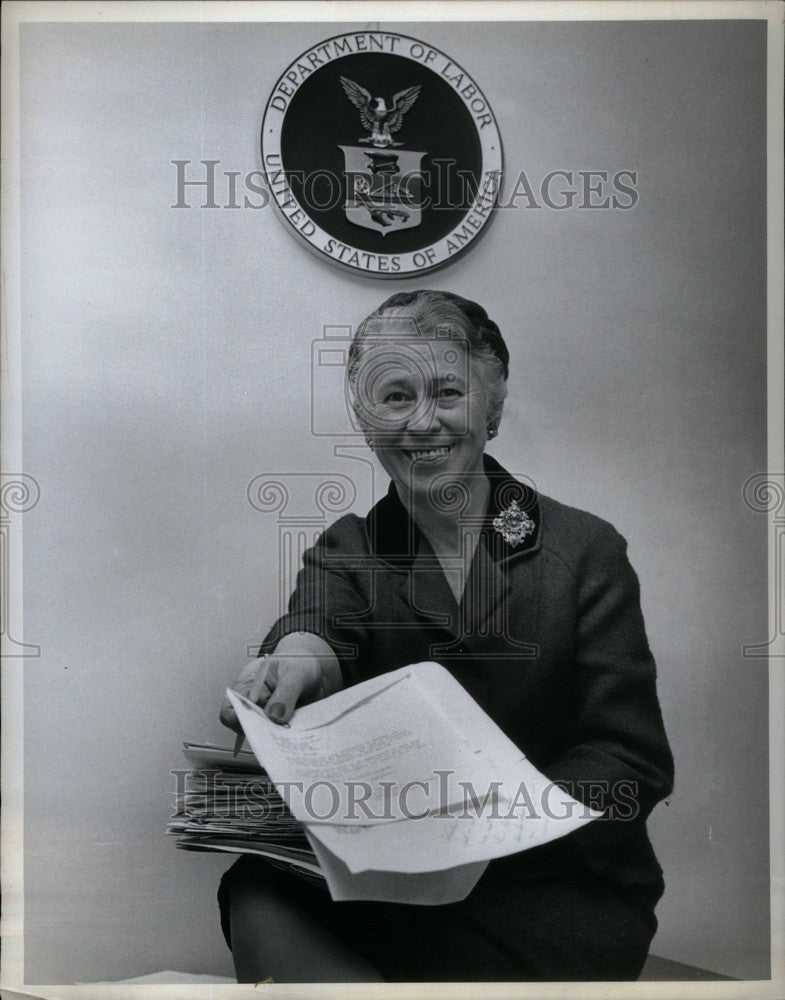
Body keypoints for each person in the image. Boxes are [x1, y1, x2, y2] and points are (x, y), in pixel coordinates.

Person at [217, 290, 674, 983]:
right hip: (393, 885)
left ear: (490, 407)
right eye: (395, 397)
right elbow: (317, 626)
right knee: (254, 887)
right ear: (365, 418)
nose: (421, 423)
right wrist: (296, 660)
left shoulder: (584, 550)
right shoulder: (350, 549)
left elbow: (629, 762)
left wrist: (489, 827)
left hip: (550, 888)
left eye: (447, 393)